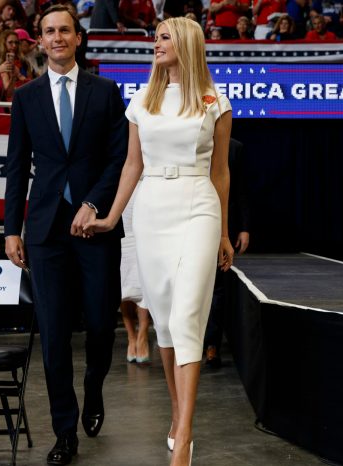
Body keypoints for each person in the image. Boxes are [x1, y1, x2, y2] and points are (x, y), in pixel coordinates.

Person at [82, 16, 234, 466]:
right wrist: (111, 216)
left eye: (164, 37)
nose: (156, 44)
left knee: (188, 314)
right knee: (166, 323)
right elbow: (132, 165)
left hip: (198, 206)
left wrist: (224, 231)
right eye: (155, 37)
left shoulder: (214, 100)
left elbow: (221, 172)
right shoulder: (141, 100)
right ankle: (176, 413)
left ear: (186, 42)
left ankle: (184, 437)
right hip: (150, 209)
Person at [2, 5, 127, 464]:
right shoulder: (27, 96)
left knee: (98, 324)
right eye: (49, 31)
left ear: (78, 38)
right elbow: (16, 168)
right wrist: (10, 230)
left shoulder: (107, 92)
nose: (56, 38)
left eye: (64, 31)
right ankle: (65, 432)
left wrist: (94, 203)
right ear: (41, 41)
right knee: (53, 333)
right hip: (45, 231)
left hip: (96, 227)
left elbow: (120, 160)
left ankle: (93, 389)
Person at [203, 138, 250, 369]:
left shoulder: (233, 147)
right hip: (188, 220)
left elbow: (239, 189)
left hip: (222, 224)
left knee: (216, 288)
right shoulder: (186, 135)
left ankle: (212, 344)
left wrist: (243, 227)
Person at [120, 192, 151, 365]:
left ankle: (143, 334)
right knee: (124, 279)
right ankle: (131, 337)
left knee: (143, 276)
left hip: (146, 193)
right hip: (121, 198)